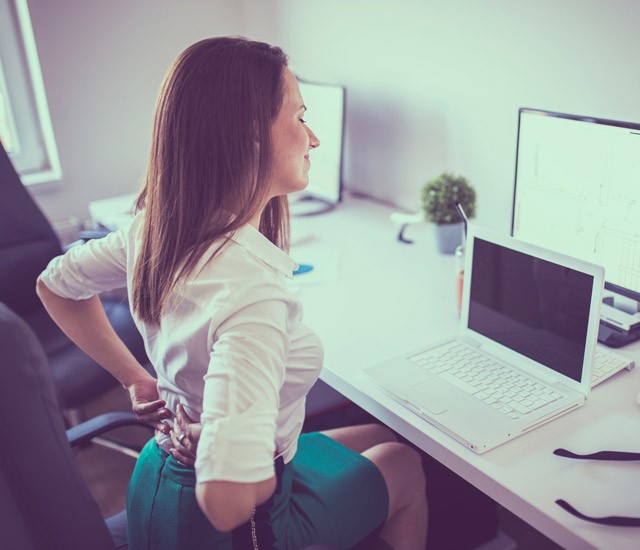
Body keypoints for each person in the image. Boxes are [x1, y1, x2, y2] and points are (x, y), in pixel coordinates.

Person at [36, 36, 428, 550]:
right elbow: (227, 502)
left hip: (156, 480)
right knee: (403, 463)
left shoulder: (156, 230)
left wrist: (136, 380)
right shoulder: (251, 297)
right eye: (300, 117)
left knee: (378, 437)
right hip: (232, 528)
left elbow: (54, 286)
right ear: (251, 135)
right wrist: (227, 448)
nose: (313, 139)